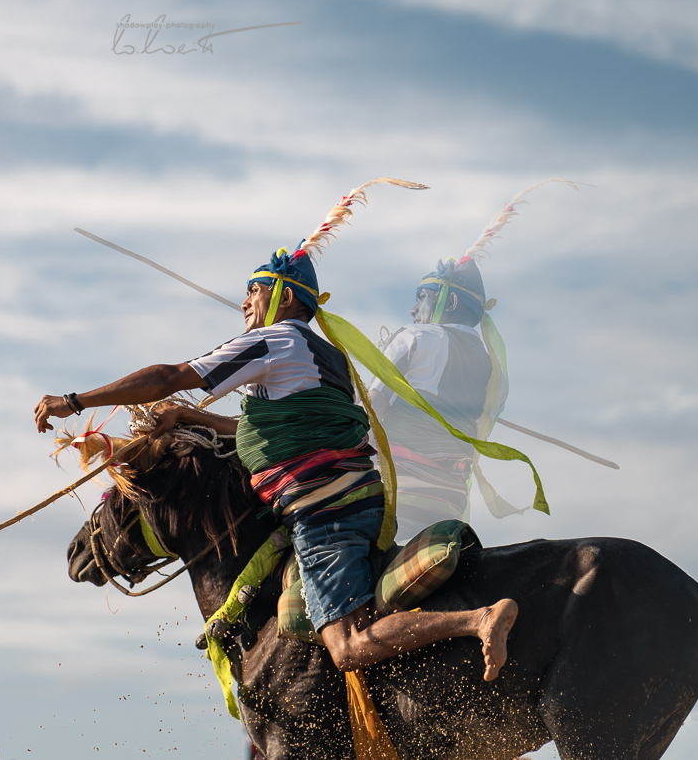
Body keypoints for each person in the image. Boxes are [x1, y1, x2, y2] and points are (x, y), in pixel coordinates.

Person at [35, 248, 518, 678]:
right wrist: (188, 418)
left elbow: (170, 375)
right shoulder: (329, 359)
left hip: (325, 513)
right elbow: (267, 430)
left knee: (345, 647)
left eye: (254, 290)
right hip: (375, 496)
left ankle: (476, 620)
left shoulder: (274, 342)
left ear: (284, 299)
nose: (244, 302)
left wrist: (73, 401)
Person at [369, 256, 508, 543]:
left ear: (451, 302)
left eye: (421, 298)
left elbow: (368, 414)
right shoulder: (497, 376)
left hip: (394, 496)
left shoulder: (414, 337)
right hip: (451, 505)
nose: (413, 309)